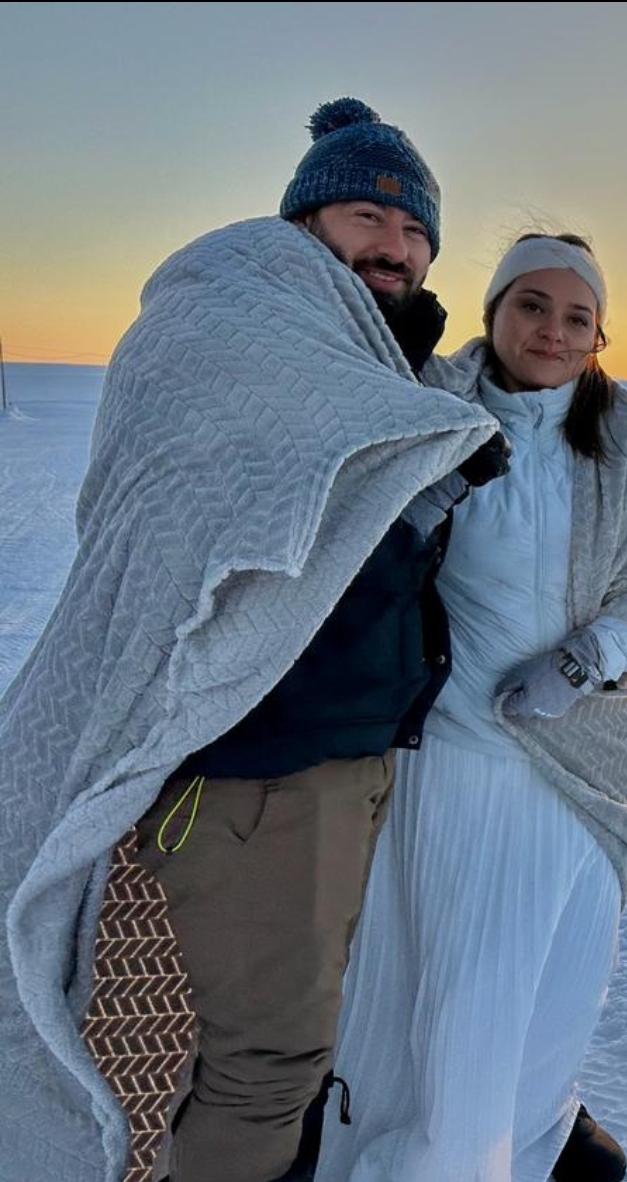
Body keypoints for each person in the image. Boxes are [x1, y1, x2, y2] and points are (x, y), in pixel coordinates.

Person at [0, 98, 505, 1182]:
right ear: (306, 221)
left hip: (341, 754)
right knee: (267, 1061)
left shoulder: (363, 358)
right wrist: (410, 471)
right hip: (268, 768)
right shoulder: (235, 323)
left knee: (280, 1036)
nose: (399, 246)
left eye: (418, 231)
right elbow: (219, 529)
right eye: (370, 215)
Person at [315, 234, 627, 1182]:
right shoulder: (424, 410)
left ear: (598, 335)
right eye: (532, 304)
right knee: (458, 1003)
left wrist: (590, 658)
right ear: (493, 310)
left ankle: (511, 1150)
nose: (553, 329)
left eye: (578, 316)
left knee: (551, 1007)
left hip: (585, 770)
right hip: (452, 758)